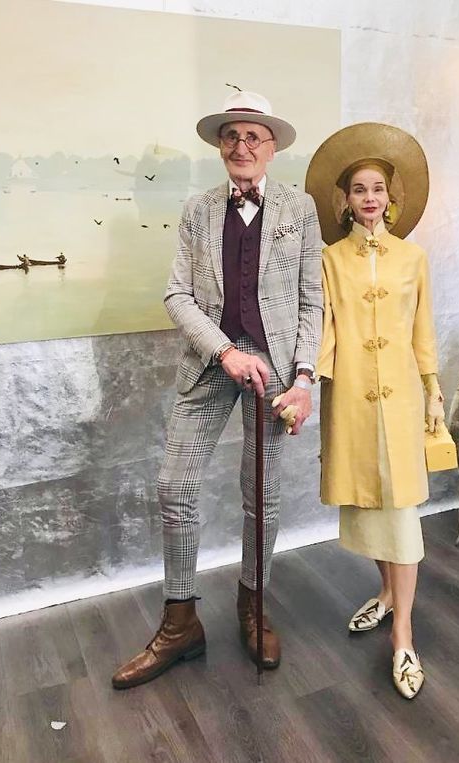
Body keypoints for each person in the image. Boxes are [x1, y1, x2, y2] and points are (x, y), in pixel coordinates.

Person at [112, 90, 323, 689]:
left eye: (253, 136)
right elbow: (177, 294)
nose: (242, 146)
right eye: (232, 136)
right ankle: (180, 623)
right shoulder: (197, 210)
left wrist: (304, 378)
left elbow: (312, 300)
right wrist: (225, 351)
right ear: (220, 146)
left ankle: (252, 606)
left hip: (275, 371)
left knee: (262, 494)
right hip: (212, 363)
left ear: (272, 148)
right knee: (174, 485)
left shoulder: (300, 208)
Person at [305, 123, 445, 699]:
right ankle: (386, 594)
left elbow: (422, 330)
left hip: (404, 398)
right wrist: (304, 384)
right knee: (370, 504)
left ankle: (403, 636)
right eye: (359, 189)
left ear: (392, 197)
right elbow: (324, 330)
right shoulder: (330, 260)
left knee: (401, 513)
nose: (369, 198)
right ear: (344, 199)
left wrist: (434, 389)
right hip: (352, 397)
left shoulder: (413, 258)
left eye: (378, 189)